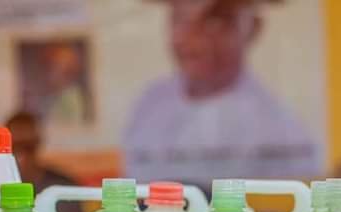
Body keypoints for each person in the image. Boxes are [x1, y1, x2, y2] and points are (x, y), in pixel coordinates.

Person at [123, 0, 320, 187]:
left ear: (253, 29)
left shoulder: (278, 128)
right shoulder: (149, 105)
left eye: (214, 22)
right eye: (180, 19)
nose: (192, 36)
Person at [5, 111, 83, 212]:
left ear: (38, 143)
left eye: (28, 147)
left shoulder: (63, 188)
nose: (21, 156)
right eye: (14, 148)